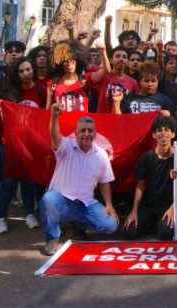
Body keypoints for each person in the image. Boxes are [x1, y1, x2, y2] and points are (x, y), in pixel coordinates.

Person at [39, 104, 119, 255]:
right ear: (75, 133)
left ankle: (79, 223)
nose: (87, 134)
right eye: (83, 131)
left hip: (85, 204)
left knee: (111, 225)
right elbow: (54, 135)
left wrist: (109, 204)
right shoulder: (65, 146)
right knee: (48, 199)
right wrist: (55, 116)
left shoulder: (101, 154)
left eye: (90, 130)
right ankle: (52, 237)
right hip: (61, 201)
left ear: (95, 134)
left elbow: (104, 182)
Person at [0, 57, 43, 234]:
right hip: (11, 143)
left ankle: (29, 213)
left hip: (31, 144)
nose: (25, 74)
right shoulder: (9, 93)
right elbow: (1, 122)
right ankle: (1, 218)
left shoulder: (40, 91)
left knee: (28, 179)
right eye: (21, 71)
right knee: (8, 181)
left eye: (28, 69)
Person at [123, 115, 177, 240]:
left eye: (167, 130)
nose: (163, 133)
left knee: (166, 234)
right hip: (148, 205)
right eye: (159, 130)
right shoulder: (146, 157)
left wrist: (173, 208)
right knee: (128, 232)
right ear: (154, 135)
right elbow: (140, 186)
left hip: (168, 206)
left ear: (173, 134)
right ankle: (152, 224)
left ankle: (157, 224)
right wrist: (134, 211)